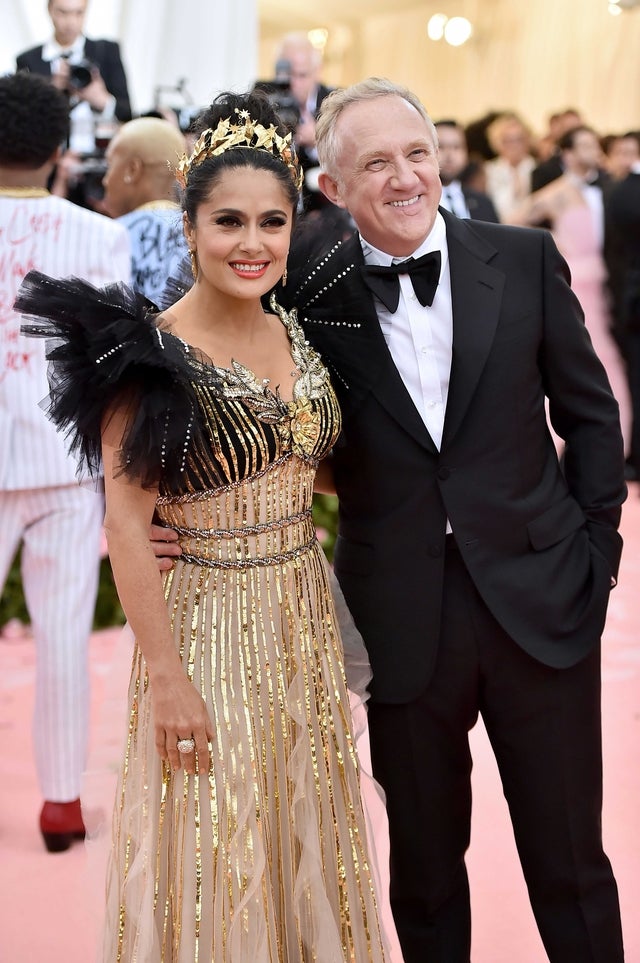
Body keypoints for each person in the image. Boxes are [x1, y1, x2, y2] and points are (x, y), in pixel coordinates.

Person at [17, 90, 391, 962]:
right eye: (228, 221)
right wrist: (168, 676)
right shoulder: (147, 358)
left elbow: (312, 462)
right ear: (187, 226)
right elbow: (124, 521)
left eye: (272, 221)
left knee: (305, 820)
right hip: (206, 624)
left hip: (302, 613)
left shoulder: (299, 331)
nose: (252, 243)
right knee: (216, 835)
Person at [271, 78, 625, 963]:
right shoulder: (306, 292)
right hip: (397, 616)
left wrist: (597, 556)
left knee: (572, 861)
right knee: (425, 873)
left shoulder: (524, 254)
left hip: (541, 597)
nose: (404, 177)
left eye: (417, 153)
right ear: (333, 187)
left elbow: (590, 417)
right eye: (376, 163)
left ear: (443, 159)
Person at [0, 71, 130, 851]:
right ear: (59, 147)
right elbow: (109, 361)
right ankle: (61, 804)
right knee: (62, 634)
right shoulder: (99, 235)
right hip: (62, 451)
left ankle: (61, 800)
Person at [508, 125, 632, 458]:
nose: (594, 151)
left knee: (610, 358)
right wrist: (555, 245)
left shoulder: (608, 186)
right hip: (576, 282)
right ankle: (558, 444)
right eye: (586, 145)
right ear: (567, 154)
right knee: (584, 356)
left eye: (595, 144)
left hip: (606, 281)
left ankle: (612, 444)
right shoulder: (557, 192)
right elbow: (512, 221)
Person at [102, 116, 189, 306]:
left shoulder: (105, 236)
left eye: (109, 166)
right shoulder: (200, 236)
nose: (105, 180)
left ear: (132, 170)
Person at [434, 119, 499, 222]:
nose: (449, 155)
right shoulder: (416, 203)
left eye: (457, 147)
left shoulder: (483, 202)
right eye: (441, 147)